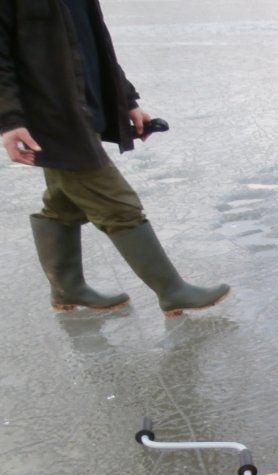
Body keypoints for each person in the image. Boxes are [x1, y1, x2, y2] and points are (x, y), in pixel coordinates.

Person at [0, 0, 229, 315]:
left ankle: (67, 288)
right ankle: (172, 291)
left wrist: (126, 99)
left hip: (81, 110)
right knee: (118, 204)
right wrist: (9, 121)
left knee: (62, 202)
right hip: (51, 117)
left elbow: (94, 44)